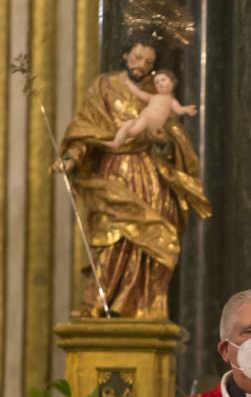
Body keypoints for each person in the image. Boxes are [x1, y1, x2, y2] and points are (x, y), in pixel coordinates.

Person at [53, 34, 212, 317]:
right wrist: (70, 158)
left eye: (148, 62)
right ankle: (96, 304)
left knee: (147, 241)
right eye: (137, 58)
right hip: (112, 171)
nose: (140, 65)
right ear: (125, 55)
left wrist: (163, 141)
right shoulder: (104, 85)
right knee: (109, 237)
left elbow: (175, 137)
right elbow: (86, 128)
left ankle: (144, 307)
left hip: (149, 177)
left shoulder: (160, 92)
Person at [107, 70, 197, 151]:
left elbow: (178, 110)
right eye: (157, 82)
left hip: (153, 123)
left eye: (163, 80)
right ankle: (116, 143)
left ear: (172, 82)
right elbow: (139, 93)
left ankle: (132, 133)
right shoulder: (153, 97)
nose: (160, 83)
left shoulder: (171, 101)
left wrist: (186, 109)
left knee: (142, 121)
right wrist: (129, 84)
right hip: (143, 119)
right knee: (129, 123)